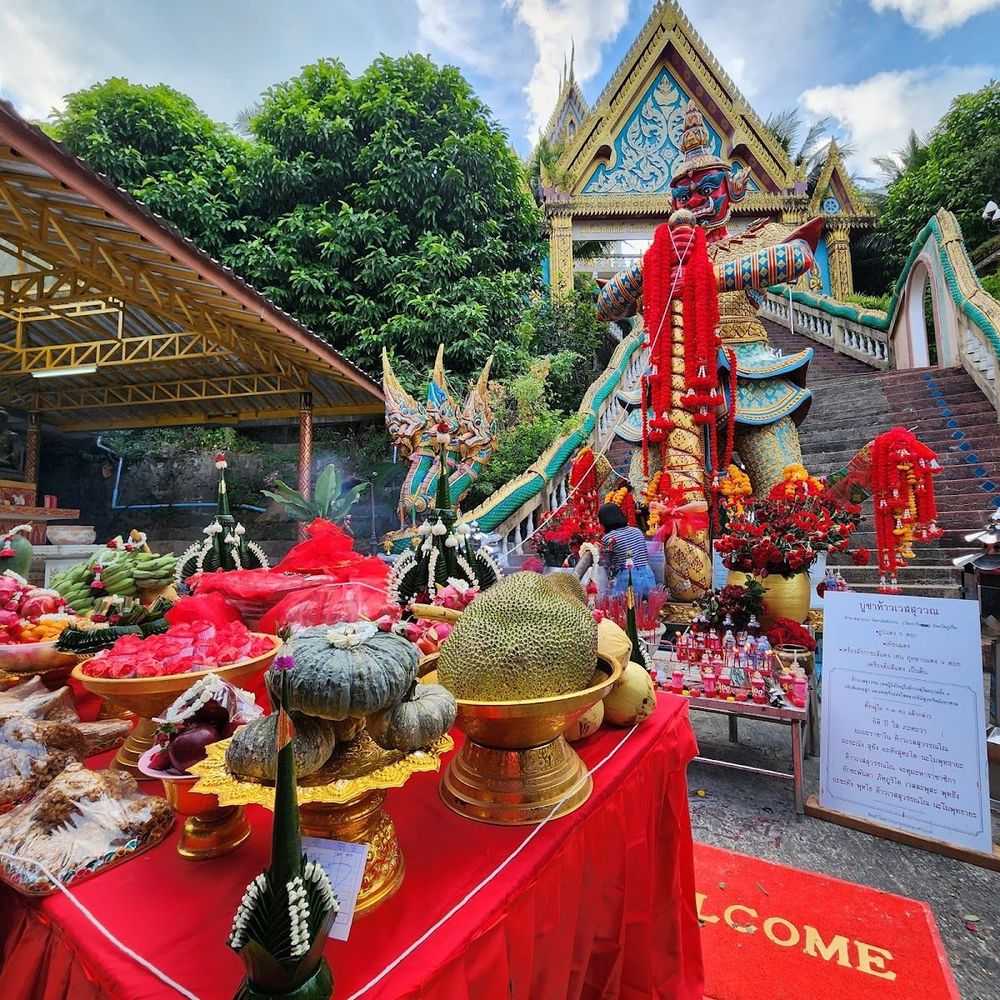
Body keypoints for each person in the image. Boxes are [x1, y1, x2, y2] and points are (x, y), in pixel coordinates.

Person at [598, 503, 656, 599]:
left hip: (628, 578)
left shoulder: (609, 538)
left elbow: (605, 562)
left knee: (627, 611)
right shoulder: (637, 531)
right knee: (647, 610)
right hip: (648, 575)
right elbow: (644, 553)